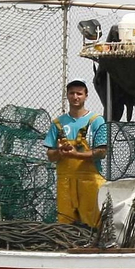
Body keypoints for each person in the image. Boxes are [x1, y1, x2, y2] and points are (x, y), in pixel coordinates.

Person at [45, 80, 108, 227]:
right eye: (72, 93)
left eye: (79, 93)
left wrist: (76, 155)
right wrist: (60, 152)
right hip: (65, 182)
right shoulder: (57, 123)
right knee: (65, 224)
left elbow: (102, 152)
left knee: (93, 223)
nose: (75, 97)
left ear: (86, 96)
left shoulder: (96, 121)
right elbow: (50, 155)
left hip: (91, 181)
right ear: (67, 95)